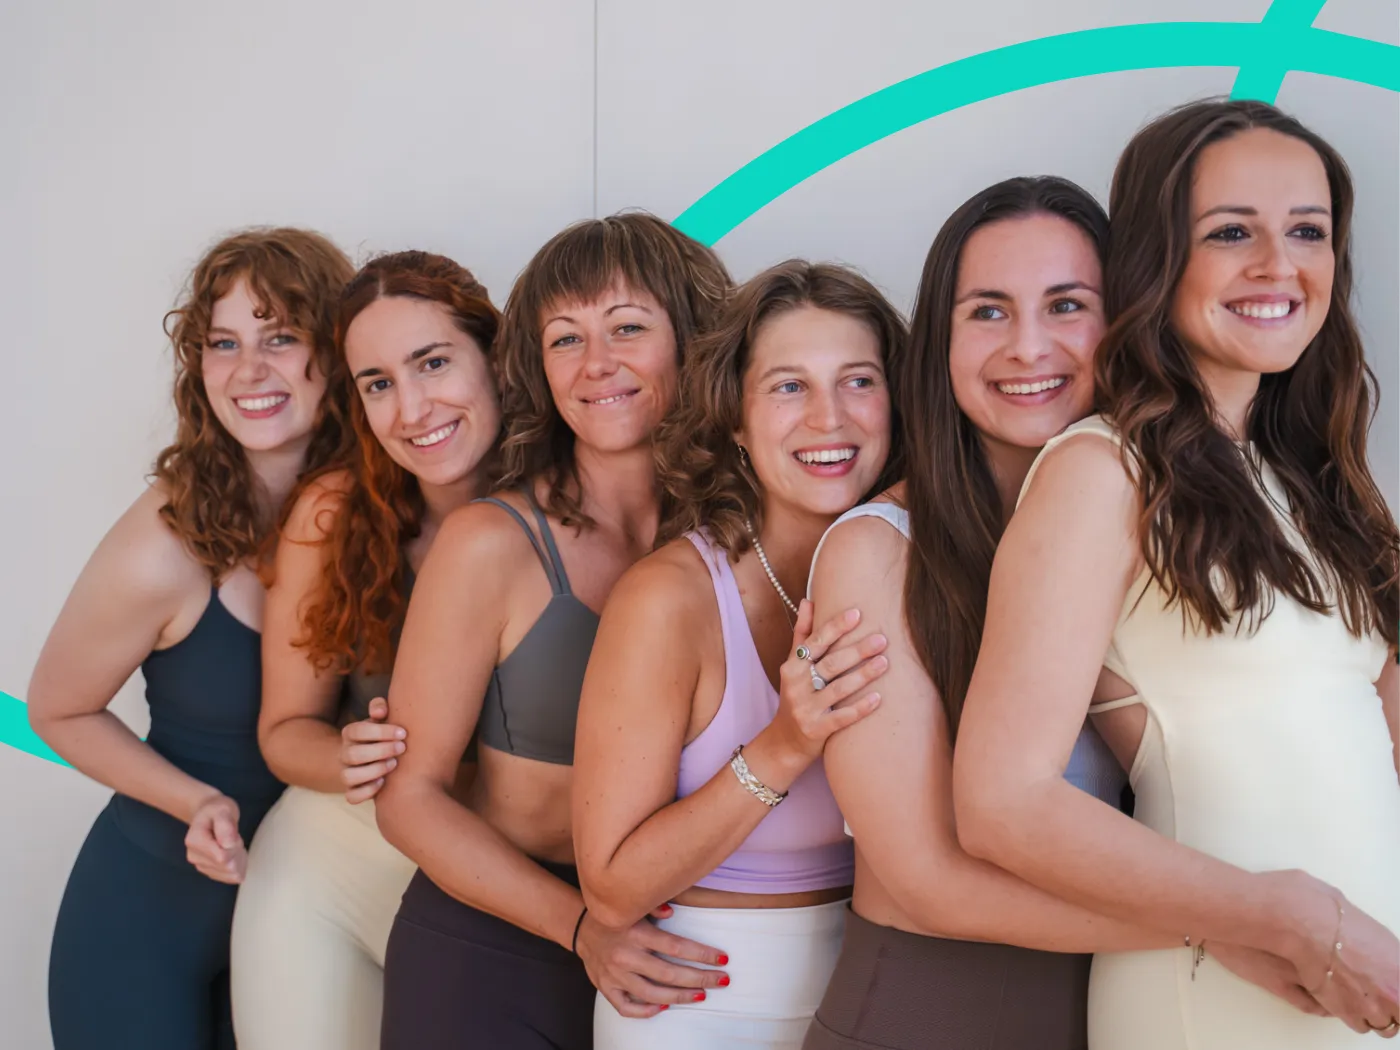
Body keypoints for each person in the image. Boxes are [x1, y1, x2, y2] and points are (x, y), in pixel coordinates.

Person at [800, 177, 1297, 1050]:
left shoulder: (1173, 530)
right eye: (987, 312)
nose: (1028, 347)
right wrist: (1238, 927)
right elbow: (926, 879)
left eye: (1067, 305)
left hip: (1138, 1012)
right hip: (933, 1016)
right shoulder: (878, 552)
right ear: (940, 342)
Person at [951, 99, 1400, 1049]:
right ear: (1159, 258)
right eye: (1232, 232)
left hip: (1361, 984)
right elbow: (1001, 801)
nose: (1280, 265)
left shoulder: (1316, 480)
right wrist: (1284, 919)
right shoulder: (1101, 470)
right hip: (1223, 991)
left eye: (1308, 232)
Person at [373, 212, 735, 1050]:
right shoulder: (490, 542)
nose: (597, 364)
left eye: (629, 329)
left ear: (696, 340)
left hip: (687, 951)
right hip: (491, 951)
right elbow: (409, 797)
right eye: (565, 339)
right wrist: (582, 929)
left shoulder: (741, 534)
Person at [28, 228, 355, 1050]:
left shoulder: (389, 516)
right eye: (223, 344)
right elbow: (59, 710)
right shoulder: (165, 540)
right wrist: (195, 802)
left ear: (338, 353)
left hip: (315, 919)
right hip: (148, 923)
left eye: (280, 337)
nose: (249, 371)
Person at [574, 261, 904, 1049]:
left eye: (858, 381)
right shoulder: (669, 599)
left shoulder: (922, 568)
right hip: (697, 1003)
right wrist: (785, 747)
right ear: (735, 420)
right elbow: (613, 888)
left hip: (878, 994)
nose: (829, 418)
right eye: (789, 387)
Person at [229, 251, 501, 1049]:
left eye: (434, 362)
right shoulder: (333, 514)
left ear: (494, 355)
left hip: (496, 885)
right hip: (333, 871)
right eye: (378, 383)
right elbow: (284, 733)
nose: (412, 408)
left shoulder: (569, 503)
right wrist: (351, 755)